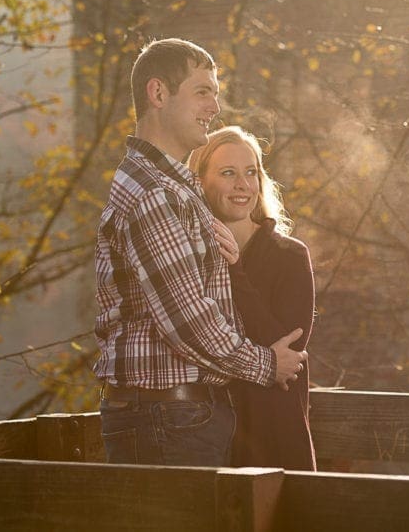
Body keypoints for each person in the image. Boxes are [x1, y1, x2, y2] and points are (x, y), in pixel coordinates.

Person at [93, 38, 307, 467]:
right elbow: (189, 321)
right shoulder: (154, 193)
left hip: (174, 415)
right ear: (158, 93)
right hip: (168, 418)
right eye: (202, 91)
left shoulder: (171, 188)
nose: (215, 106)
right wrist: (266, 365)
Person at [190, 126, 317, 470]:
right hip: (208, 434)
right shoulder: (191, 258)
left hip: (274, 437)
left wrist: (235, 273)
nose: (243, 184)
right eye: (228, 173)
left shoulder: (289, 255)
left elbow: (284, 352)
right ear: (199, 182)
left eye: (251, 172)